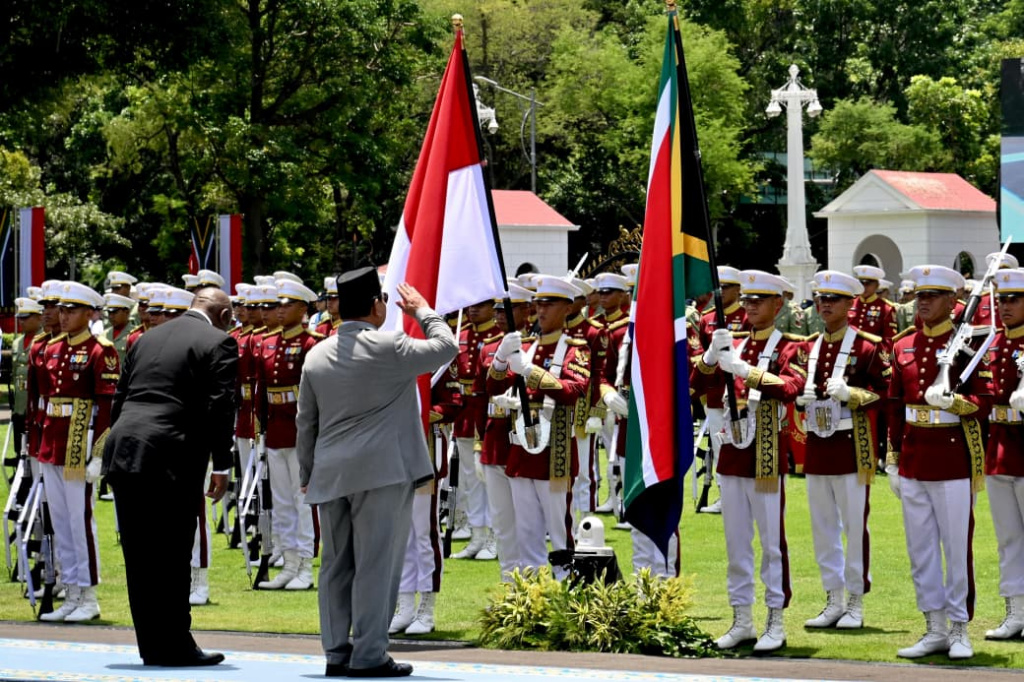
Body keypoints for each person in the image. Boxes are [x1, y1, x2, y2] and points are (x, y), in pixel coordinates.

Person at [296, 269, 457, 678]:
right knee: (376, 564)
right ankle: (368, 653)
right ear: (375, 305)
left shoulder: (316, 354)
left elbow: (306, 423)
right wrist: (423, 311)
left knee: (334, 565)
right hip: (383, 472)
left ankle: (335, 651)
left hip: (330, 474)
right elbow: (447, 346)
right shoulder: (392, 345)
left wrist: (306, 472)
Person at [101, 288, 237, 667]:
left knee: (140, 555)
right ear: (224, 314)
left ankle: (152, 645)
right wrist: (222, 464)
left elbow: (120, 397)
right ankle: (176, 644)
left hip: (126, 449)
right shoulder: (220, 342)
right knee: (174, 552)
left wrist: (121, 443)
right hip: (171, 454)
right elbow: (221, 406)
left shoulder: (146, 338)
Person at [691, 270, 806, 653]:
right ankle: (741, 618)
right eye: (747, 301)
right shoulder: (732, 342)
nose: (750, 307)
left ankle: (775, 618)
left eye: (759, 301)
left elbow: (791, 387)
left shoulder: (791, 346)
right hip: (732, 452)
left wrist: (746, 371)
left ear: (779, 304)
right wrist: (710, 357)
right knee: (736, 543)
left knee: (772, 543)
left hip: (766, 455)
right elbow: (699, 384)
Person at [887, 265, 990, 660]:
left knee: (955, 545)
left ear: (953, 301)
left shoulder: (968, 342)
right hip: (914, 457)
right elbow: (896, 404)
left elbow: (984, 398)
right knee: (921, 548)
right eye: (920, 296)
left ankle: (960, 626)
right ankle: (933, 627)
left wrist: (956, 403)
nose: (923, 302)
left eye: (933, 296)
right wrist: (893, 459)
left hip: (952, 457)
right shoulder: (903, 345)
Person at [797, 271, 890, 630]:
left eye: (833, 299)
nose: (825, 305)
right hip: (819, 445)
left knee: (854, 525)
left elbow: (885, 394)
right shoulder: (811, 345)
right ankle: (832, 598)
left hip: (853, 445)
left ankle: (855, 602)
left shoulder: (867, 346)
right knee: (822, 527)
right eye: (821, 298)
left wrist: (852, 395)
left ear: (850, 304)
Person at [982, 267, 1024, 640]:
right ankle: (1015, 611)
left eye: (1014, 299)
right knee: (1008, 538)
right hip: (999, 450)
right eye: (1002, 300)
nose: (1005, 306)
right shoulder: (994, 342)